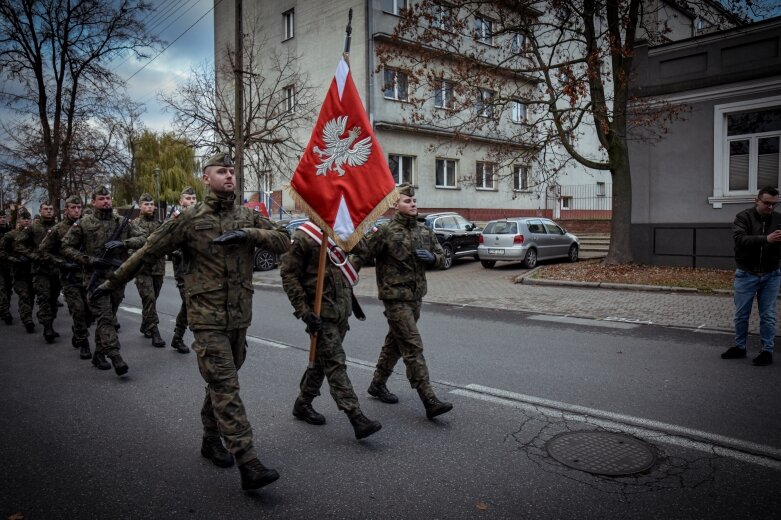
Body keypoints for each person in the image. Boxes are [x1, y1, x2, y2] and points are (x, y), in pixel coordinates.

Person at [92, 152, 290, 491]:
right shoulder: (190, 219)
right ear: (205, 178)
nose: (229, 176)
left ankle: (210, 440)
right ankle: (247, 459)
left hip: (240, 315)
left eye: (232, 171)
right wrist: (112, 282)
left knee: (220, 382)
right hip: (206, 316)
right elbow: (148, 252)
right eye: (221, 171)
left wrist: (248, 235)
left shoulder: (247, 215)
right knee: (227, 386)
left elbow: (285, 240)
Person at [351, 184, 453, 419]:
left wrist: (434, 258)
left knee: (395, 342)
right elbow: (362, 253)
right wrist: (347, 277)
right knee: (411, 344)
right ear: (395, 205)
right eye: (407, 201)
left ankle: (377, 384)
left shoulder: (424, 231)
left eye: (414, 200)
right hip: (394, 297)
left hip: (415, 296)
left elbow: (441, 258)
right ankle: (428, 398)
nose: (413, 204)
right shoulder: (385, 231)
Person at [280, 222, 382, 440]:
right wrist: (304, 311)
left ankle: (303, 403)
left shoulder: (340, 230)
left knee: (321, 361)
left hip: (341, 309)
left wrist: (351, 232)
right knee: (335, 362)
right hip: (320, 313)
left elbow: (363, 250)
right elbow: (288, 275)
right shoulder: (304, 236)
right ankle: (356, 416)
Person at [61, 186, 146, 376]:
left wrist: (124, 243)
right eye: (101, 198)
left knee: (106, 318)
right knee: (106, 317)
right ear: (93, 202)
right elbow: (66, 247)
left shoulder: (122, 222)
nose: (106, 201)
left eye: (108, 198)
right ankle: (115, 356)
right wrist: (89, 260)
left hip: (117, 278)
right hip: (94, 279)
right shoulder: (84, 223)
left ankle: (98, 355)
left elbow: (143, 237)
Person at [722, 186, 781, 366]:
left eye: (774, 204)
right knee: (741, 314)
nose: (770, 207)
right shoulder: (743, 217)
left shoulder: (778, 219)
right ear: (757, 200)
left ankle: (767, 351)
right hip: (746, 273)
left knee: (768, 315)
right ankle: (740, 347)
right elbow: (740, 239)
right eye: (767, 203)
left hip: (771, 274)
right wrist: (766, 239)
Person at [39, 195, 92, 359]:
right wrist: (61, 263)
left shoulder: (87, 226)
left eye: (78, 208)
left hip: (89, 276)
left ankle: (78, 332)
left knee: (90, 313)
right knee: (78, 310)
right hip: (69, 277)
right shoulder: (58, 229)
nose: (76, 210)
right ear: (66, 210)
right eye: (73, 208)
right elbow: (43, 250)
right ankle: (84, 343)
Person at [15, 201, 61, 343]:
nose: (48, 211)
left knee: (54, 299)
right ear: (41, 211)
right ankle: (47, 327)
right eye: (45, 209)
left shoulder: (58, 227)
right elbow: (18, 244)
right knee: (44, 298)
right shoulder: (32, 228)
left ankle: (51, 324)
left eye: (50, 209)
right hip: (40, 270)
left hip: (56, 269)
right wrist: (32, 255)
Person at [133, 193, 166, 348]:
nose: (149, 207)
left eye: (151, 204)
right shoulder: (134, 224)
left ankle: (145, 324)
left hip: (158, 269)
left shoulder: (160, 224)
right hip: (141, 269)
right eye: (146, 204)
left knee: (152, 300)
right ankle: (155, 332)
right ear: (140, 206)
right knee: (149, 299)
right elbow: (129, 246)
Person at [169, 186, 198, 354]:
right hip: (182, 269)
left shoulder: (199, 217)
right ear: (181, 201)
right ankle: (182, 338)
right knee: (190, 304)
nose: (191, 202)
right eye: (188, 199)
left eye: (193, 199)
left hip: (197, 269)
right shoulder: (175, 219)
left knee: (187, 306)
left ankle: (177, 337)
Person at [1, 208, 35, 332]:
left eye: (28, 218)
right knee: (24, 295)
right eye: (23, 218)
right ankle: (27, 320)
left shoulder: (34, 234)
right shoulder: (11, 235)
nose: (26, 221)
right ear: (19, 220)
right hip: (17, 270)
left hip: (33, 271)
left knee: (31, 296)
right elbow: (2, 251)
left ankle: (27, 314)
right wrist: (13, 259)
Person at [0, 210, 13, 325]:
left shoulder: (9, 231)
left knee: (8, 289)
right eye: (0, 217)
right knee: (2, 288)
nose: (2, 219)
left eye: (4, 217)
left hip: (8, 264)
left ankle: (4, 307)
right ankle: (5, 311)